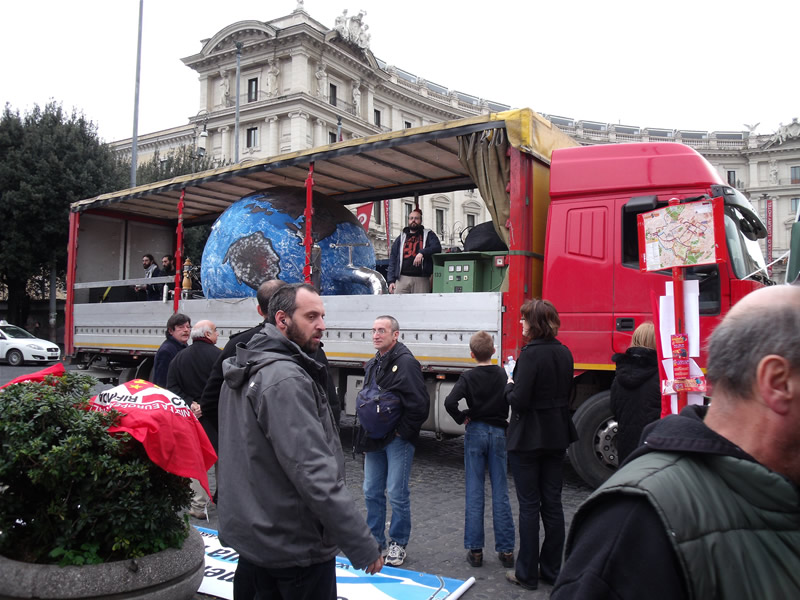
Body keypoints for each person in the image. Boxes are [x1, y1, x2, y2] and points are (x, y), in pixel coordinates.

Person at [552, 284, 800, 600]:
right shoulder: (637, 522)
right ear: (777, 382)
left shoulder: (620, 378)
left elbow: (615, 409)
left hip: (630, 445)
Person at [218, 283, 382, 599]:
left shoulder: (249, 364)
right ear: (282, 320)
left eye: (322, 316)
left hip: (256, 538)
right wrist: (360, 542)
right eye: (311, 316)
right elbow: (312, 470)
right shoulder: (284, 379)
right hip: (293, 547)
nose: (322, 325)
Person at [200, 280, 341, 451]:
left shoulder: (237, 345)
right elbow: (330, 406)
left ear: (260, 310)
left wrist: (237, 439)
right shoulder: (311, 348)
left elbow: (210, 402)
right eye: (311, 316)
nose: (322, 326)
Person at [504, 298, 577, 591]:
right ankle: (552, 569)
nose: (520, 322)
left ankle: (526, 573)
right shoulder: (565, 352)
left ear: (533, 323)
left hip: (528, 436)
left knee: (529, 506)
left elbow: (519, 400)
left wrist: (509, 385)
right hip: (556, 433)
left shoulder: (530, 355)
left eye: (524, 319)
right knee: (553, 504)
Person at [355, 315, 429, 566]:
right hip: (374, 438)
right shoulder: (374, 362)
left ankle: (398, 543)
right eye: (373, 330)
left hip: (397, 440)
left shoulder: (406, 363)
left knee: (397, 492)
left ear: (395, 335)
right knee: (371, 491)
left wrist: (402, 433)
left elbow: (420, 405)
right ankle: (375, 541)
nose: (376, 335)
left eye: (381, 331)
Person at [444, 330, 515, 569]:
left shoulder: (468, 377)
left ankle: (475, 551)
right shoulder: (502, 374)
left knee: (475, 491)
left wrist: (462, 416)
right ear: (494, 351)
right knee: (501, 491)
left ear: (472, 354)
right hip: (498, 432)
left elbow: (449, 402)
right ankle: (506, 551)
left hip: (475, 432)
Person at [167, 320, 221, 519]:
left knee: (198, 462)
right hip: (216, 417)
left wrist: (191, 403)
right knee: (222, 460)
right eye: (215, 331)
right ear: (207, 335)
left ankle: (198, 505)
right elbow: (227, 387)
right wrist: (206, 405)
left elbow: (172, 388)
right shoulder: (219, 356)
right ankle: (224, 500)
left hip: (192, 419)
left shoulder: (179, 358)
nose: (218, 334)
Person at [610, 321, 660, 463]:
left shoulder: (619, 375)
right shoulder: (660, 375)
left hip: (625, 445)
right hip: (651, 445)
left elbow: (614, 409)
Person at [387, 208, 441, 294]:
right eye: (411, 218)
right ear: (408, 220)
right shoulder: (401, 237)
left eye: (416, 218)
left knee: (421, 302)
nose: (413, 220)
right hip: (402, 278)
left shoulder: (428, 234)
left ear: (421, 220)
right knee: (398, 302)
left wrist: (422, 253)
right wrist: (391, 281)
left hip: (421, 279)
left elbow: (437, 247)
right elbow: (393, 259)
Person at [151, 313, 191, 387]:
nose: (186, 330)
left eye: (188, 327)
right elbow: (162, 381)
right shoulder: (166, 351)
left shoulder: (184, 346)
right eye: (181, 327)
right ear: (170, 331)